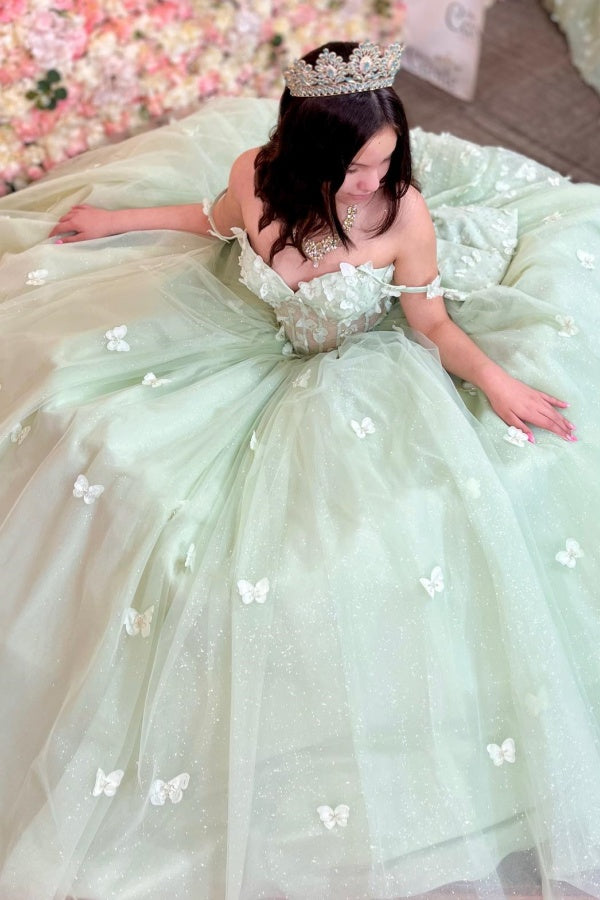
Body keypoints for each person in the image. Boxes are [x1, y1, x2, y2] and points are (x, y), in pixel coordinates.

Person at [0, 39, 599, 900]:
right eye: (357, 167)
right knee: (80, 419)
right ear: (309, 153)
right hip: (242, 341)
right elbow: (215, 219)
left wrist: (495, 381)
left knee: (314, 554)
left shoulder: (399, 215)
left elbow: (431, 324)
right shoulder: (256, 174)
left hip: (357, 369)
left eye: (387, 160)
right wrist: (117, 223)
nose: (374, 181)